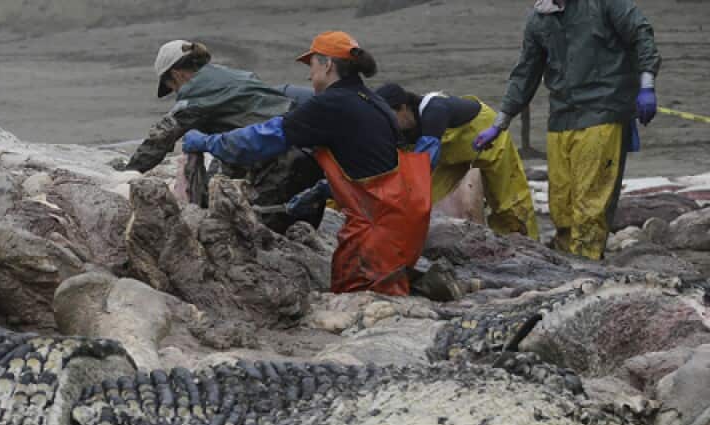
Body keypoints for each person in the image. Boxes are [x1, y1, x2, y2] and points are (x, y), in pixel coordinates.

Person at [183, 32, 431, 295]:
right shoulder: (373, 101)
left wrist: (208, 142)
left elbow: (263, 139)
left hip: (376, 230)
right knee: (389, 294)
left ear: (327, 65)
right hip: (405, 221)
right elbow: (369, 163)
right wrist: (321, 190)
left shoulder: (330, 105)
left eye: (311, 66)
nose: (309, 76)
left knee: (361, 297)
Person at [474, 0, 661, 260]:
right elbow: (525, 72)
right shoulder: (539, 19)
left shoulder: (603, 4)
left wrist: (647, 83)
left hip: (603, 110)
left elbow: (640, 33)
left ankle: (587, 265)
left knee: (591, 204)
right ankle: (563, 265)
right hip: (561, 117)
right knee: (561, 205)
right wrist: (500, 122)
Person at [126, 40, 323, 227]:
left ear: (177, 75)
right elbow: (236, 141)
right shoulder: (233, 76)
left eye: (171, 87)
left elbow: (160, 138)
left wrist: (128, 174)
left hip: (281, 160)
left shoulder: (196, 92)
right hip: (310, 154)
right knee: (299, 232)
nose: (176, 93)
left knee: (258, 232)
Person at [376, 83, 539, 240]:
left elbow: (422, 163)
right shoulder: (398, 126)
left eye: (390, 117)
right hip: (448, 155)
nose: (388, 125)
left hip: (487, 140)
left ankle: (530, 247)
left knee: (511, 203)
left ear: (403, 107)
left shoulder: (435, 110)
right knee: (414, 203)